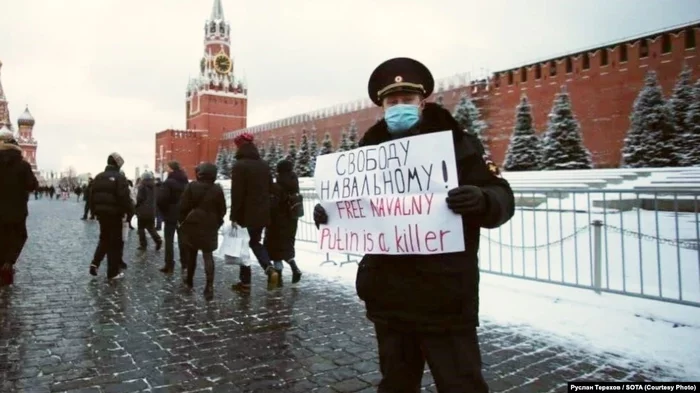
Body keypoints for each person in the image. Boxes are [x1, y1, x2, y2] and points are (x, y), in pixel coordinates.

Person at [313, 57, 515, 393]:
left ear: (423, 102)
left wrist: (483, 199)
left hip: (444, 297)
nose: (399, 107)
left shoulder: (458, 144)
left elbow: (502, 195)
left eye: (407, 100)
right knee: (396, 384)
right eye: (392, 102)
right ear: (382, 106)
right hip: (389, 297)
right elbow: (356, 208)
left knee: (461, 384)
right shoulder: (368, 153)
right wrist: (330, 214)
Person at [229, 132, 276, 292]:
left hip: (245, 215)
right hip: (262, 213)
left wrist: (234, 216)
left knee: (243, 246)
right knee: (255, 242)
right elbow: (271, 188)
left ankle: (245, 283)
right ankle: (269, 268)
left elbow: (237, 194)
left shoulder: (239, 166)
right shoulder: (263, 165)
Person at [178, 162, 226, 300]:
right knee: (208, 255)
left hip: (193, 224)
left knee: (191, 253)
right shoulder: (217, 189)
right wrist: (216, 221)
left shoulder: (192, 186)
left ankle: (189, 282)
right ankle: (209, 286)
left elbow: (183, 206)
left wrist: (182, 222)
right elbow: (222, 210)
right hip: (210, 225)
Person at [0, 130, 38, 286]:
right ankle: (8, 264)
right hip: (16, 211)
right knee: (18, 236)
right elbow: (32, 185)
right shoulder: (22, 164)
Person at [88, 152, 134, 280]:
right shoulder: (120, 178)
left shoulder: (98, 177)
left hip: (102, 215)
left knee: (104, 239)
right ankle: (112, 272)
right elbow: (124, 198)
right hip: (115, 215)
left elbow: (91, 197)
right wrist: (129, 213)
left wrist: (94, 212)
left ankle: (95, 263)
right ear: (117, 164)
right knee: (115, 243)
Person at [264, 159, 303, 286]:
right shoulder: (294, 183)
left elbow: (273, 205)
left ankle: (279, 278)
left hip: (277, 222)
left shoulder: (277, 185)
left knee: (275, 250)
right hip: (292, 220)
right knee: (287, 246)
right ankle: (294, 267)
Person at [156, 161, 189, 274]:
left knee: (169, 240)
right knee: (182, 239)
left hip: (170, 214)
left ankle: (169, 265)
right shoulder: (185, 182)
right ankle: (185, 263)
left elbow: (161, 200)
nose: (166, 168)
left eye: (167, 167)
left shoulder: (168, 182)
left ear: (171, 169)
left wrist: (165, 212)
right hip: (183, 214)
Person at [135, 172, 162, 251]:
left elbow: (139, 199)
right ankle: (158, 240)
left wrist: (136, 207)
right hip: (152, 211)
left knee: (141, 228)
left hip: (143, 211)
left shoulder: (142, 186)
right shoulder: (154, 186)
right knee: (151, 228)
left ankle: (143, 245)